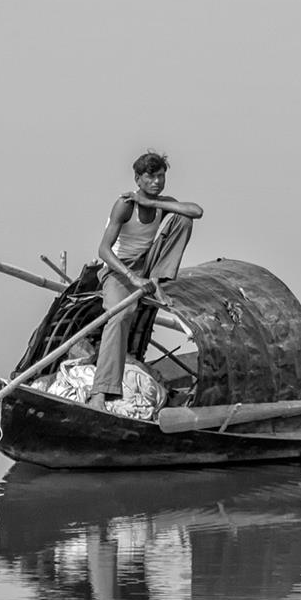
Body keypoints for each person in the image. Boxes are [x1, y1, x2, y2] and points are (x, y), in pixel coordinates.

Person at [87, 151, 203, 410]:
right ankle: (100, 392)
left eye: (161, 176)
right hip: (119, 269)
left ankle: (158, 282)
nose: (157, 182)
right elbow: (103, 250)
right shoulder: (125, 205)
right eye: (150, 177)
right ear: (138, 179)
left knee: (183, 219)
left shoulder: (160, 203)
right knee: (120, 315)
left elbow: (196, 211)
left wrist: (154, 203)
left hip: (147, 263)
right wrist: (132, 278)